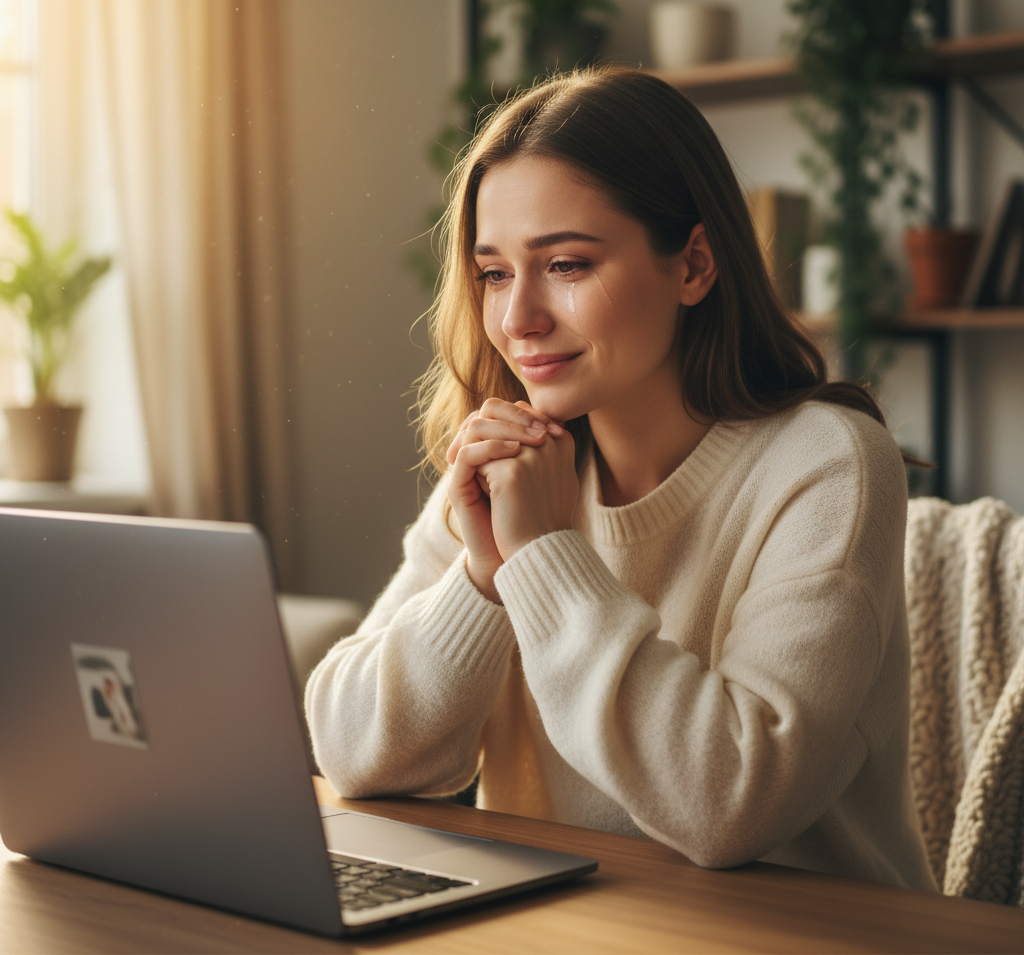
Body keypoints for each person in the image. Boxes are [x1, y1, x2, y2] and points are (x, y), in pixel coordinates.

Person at [306, 67, 937, 891]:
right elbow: (350, 752)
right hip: (570, 927)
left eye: (565, 264)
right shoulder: (511, 462)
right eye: (494, 273)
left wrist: (542, 560)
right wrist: (481, 579)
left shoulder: (826, 464)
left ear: (695, 266)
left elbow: (732, 802)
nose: (517, 319)